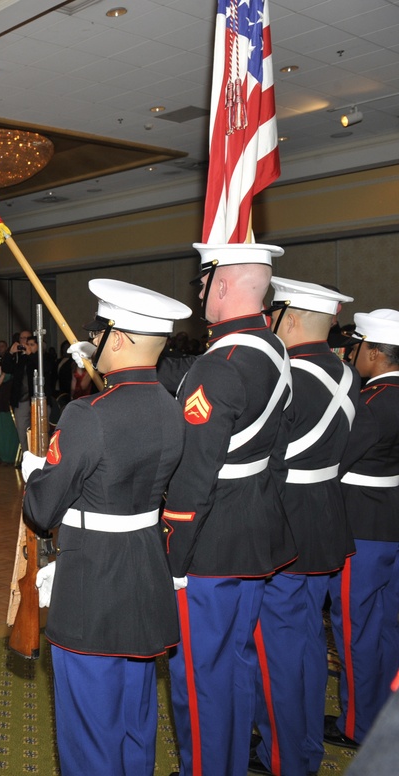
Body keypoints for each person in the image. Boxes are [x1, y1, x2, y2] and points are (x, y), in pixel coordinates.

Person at [22, 279, 192, 776]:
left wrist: (35, 473)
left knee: (89, 728)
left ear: (116, 338)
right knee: (134, 718)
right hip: (145, 571)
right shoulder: (172, 406)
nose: (93, 341)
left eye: (99, 331)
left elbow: (42, 510)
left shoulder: (86, 414)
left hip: (93, 582)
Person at [160, 243, 296, 776]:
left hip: (209, 546)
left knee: (199, 678)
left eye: (203, 282)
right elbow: (276, 452)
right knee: (236, 665)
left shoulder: (222, 366)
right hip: (256, 533)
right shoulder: (274, 350)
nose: (200, 292)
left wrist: (173, 559)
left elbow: (192, 479)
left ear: (220, 285)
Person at [251, 278, 359, 776]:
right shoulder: (346, 370)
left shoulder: (290, 376)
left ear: (288, 318)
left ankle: (283, 759)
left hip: (286, 520)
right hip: (324, 515)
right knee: (308, 645)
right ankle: (306, 744)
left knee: (277, 651)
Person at [327, 309, 399, 750]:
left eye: (359, 349)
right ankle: (383, 713)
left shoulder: (372, 404)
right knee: (389, 627)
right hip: (391, 519)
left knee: (356, 629)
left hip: (361, 527)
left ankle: (357, 724)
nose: (355, 356)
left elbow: (333, 462)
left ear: (374, 352)